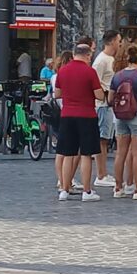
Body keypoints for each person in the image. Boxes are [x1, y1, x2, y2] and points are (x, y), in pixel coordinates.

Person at [55, 44, 105, 202]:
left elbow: (57, 93)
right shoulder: (90, 72)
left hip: (67, 115)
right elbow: (99, 96)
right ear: (88, 55)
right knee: (86, 154)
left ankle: (64, 189)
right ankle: (87, 191)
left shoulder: (62, 71)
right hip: (86, 115)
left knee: (68, 154)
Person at [109, 45, 137, 200]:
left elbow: (110, 99)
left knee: (120, 153)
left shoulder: (117, 76)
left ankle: (118, 187)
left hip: (121, 116)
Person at [92, 30, 122, 189]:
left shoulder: (111, 59)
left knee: (106, 139)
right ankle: (101, 174)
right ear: (111, 42)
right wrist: (103, 96)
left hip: (109, 105)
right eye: (118, 40)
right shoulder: (101, 61)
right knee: (102, 140)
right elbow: (95, 82)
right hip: (103, 105)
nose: (120, 43)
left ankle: (103, 172)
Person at [51, 51, 81, 194]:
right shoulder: (63, 75)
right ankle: (66, 180)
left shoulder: (56, 75)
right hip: (67, 111)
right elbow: (59, 93)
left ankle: (63, 179)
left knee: (62, 150)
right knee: (69, 150)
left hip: (61, 113)